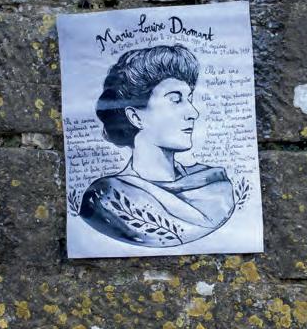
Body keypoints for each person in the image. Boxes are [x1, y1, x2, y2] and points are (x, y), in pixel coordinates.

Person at [80, 44, 235, 247]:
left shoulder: (216, 186)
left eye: (189, 99)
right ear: (135, 117)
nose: (193, 113)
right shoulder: (106, 197)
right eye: (175, 100)